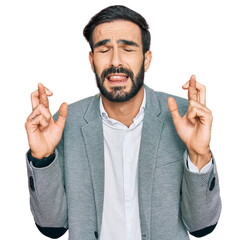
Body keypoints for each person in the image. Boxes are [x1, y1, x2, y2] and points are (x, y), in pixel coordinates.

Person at [25, 5, 221, 240]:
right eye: (104, 49)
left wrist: (199, 154)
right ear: (92, 60)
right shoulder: (65, 123)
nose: (115, 61)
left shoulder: (183, 117)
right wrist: (42, 158)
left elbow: (201, 226)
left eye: (127, 49)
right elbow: (52, 227)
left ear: (146, 59)